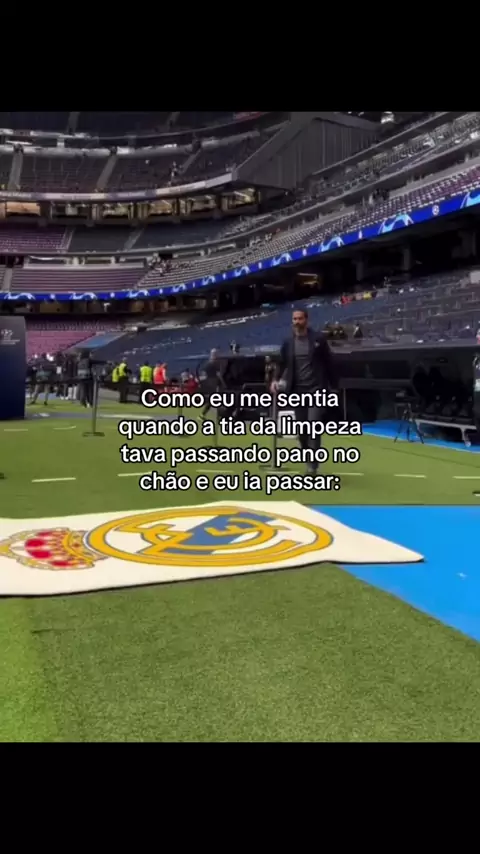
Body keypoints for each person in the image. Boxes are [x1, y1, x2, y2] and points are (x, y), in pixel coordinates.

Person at [272, 308, 336, 475]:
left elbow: (329, 362)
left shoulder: (318, 339)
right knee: (302, 431)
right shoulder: (288, 342)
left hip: (316, 390)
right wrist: (275, 380)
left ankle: (312, 466)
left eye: (300, 319)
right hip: (297, 392)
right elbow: (281, 363)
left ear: (306, 320)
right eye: (294, 319)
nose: (297, 322)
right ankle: (308, 458)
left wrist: (334, 386)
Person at [200, 348, 224, 420]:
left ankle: (203, 414)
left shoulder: (209, 363)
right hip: (214, 384)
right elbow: (219, 374)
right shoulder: (214, 363)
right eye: (216, 354)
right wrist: (223, 383)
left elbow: (203, 373)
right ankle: (218, 416)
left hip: (211, 383)